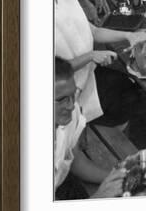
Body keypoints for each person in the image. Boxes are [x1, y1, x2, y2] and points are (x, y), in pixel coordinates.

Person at [54, 0, 146, 127]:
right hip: (70, 92)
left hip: (89, 73)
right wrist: (91, 56)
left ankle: (123, 127)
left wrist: (129, 36)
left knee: (130, 85)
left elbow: (94, 31)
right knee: (129, 96)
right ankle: (110, 132)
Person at [54, 56, 127, 199]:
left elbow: (76, 160)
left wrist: (115, 178)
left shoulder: (71, 113)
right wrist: (100, 195)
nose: (70, 105)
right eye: (62, 99)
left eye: (72, 95)